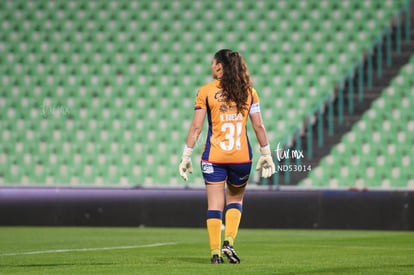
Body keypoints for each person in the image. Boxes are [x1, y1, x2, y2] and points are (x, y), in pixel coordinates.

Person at [178, 49, 275, 264]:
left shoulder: (205, 92)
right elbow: (258, 125)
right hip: (241, 158)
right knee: (235, 200)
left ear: (219, 66)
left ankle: (215, 255)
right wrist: (266, 153)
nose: (211, 66)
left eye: (213, 63)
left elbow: (196, 127)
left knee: (214, 205)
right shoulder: (249, 92)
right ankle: (229, 242)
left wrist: (186, 156)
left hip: (214, 158)